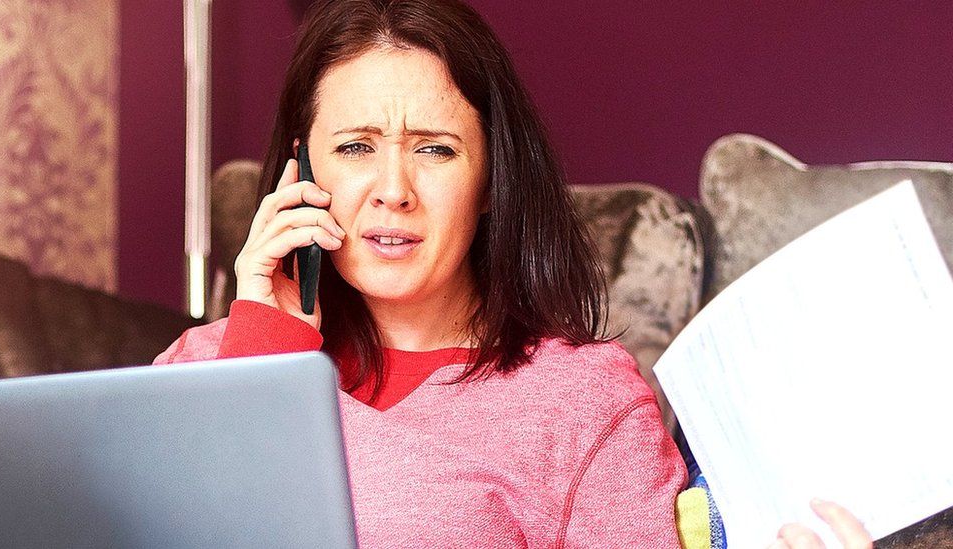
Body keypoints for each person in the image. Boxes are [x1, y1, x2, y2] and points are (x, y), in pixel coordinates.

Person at [156, 0, 873, 547]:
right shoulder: (206, 363)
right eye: (354, 146)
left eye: (435, 149)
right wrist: (259, 356)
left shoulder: (580, 399)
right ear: (302, 169)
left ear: (492, 178)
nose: (393, 189)